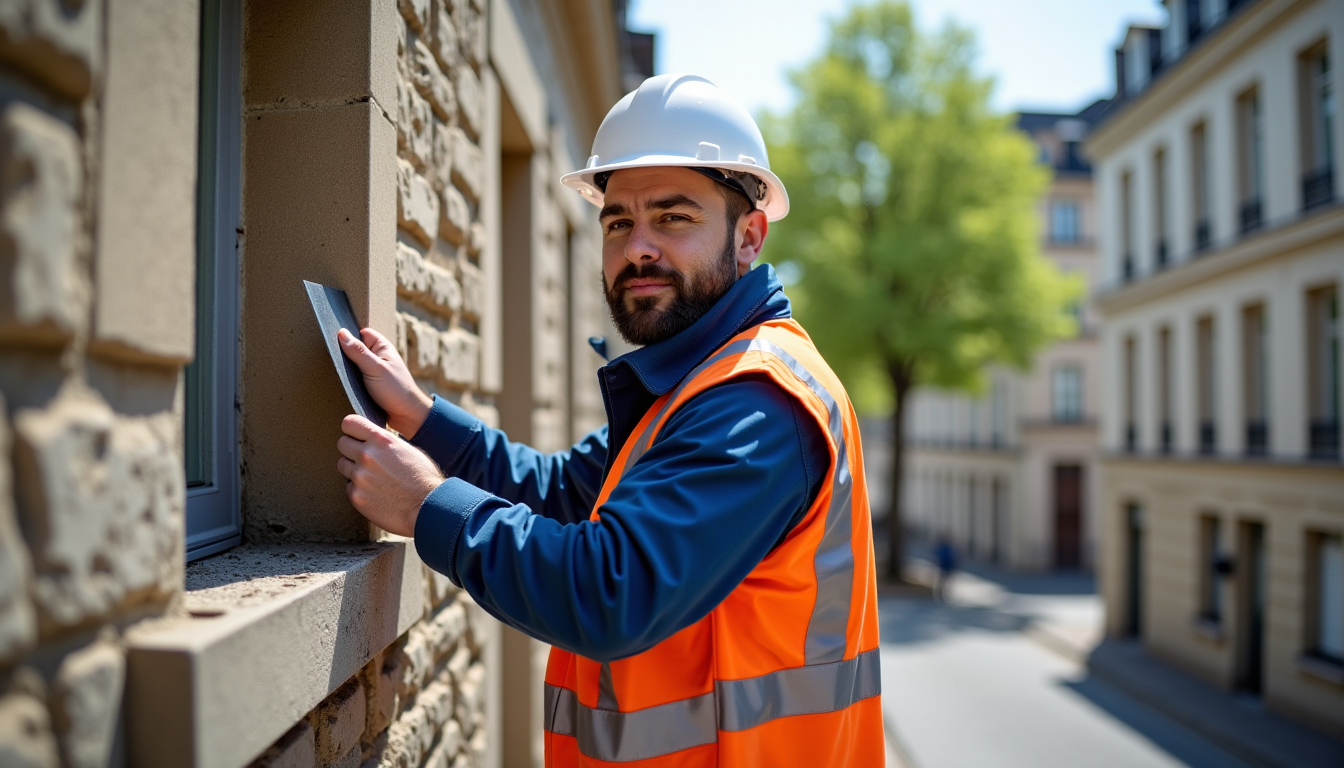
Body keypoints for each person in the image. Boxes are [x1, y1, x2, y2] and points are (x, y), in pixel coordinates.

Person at [333, 74, 884, 767]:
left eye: (673, 217)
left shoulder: (756, 401)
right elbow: (567, 490)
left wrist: (426, 505)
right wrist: (422, 419)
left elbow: (609, 591)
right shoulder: (693, 382)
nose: (638, 247)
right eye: (618, 221)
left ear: (749, 236)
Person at [934, 536, 957, 602]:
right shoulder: (947, 548)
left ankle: (942, 592)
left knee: (943, 581)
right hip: (945, 567)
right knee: (943, 581)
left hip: (945, 567)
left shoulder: (947, 548)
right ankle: (941, 592)